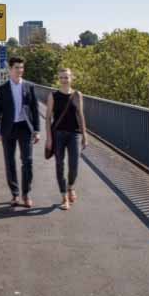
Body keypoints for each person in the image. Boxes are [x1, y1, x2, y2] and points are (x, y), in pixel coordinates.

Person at [0, 56, 41, 207]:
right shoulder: (3, 88)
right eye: (17, 68)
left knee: (27, 161)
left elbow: (35, 109)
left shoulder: (29, 86)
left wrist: (37, 130)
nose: (20, 70)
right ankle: (15, 194)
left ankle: (26, 194)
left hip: (25, 128)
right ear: (10, 69)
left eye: (21, 68)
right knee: (9, 162)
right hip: (8, 128)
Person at [45, 68, 87, 210]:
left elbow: (81, 116)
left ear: (71, 78)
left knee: (74, 165)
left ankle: (70, 187)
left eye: (66, 77)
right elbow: (48, 117)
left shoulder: (77, 95)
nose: (64, 80)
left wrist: (84, 136)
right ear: (59, 79)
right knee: (59, 164)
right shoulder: (53, 95)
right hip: (58, 134)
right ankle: (64, 197)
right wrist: (49, 138)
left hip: (75, 134)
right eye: (61, 77)